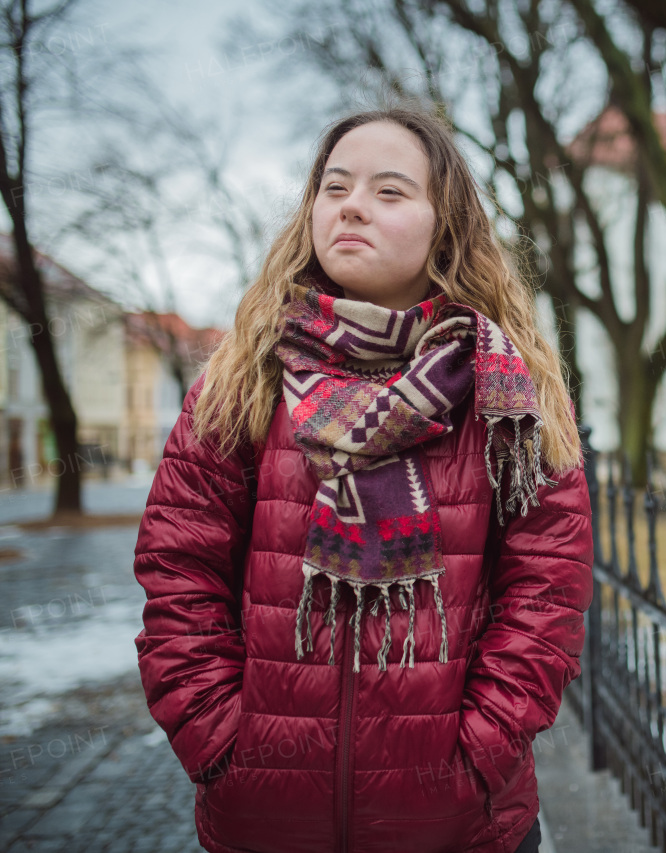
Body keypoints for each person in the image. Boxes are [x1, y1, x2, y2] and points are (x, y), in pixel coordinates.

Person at [132, 102, 593, 853]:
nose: (351, 205)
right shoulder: (242, 380)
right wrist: (221, 744)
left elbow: (547, 594)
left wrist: (476, 755)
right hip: (265, 821)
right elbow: (178, 570)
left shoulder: (511, 395)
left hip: (461, 826)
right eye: (335, 186)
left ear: (445, 224)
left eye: (389, 191)